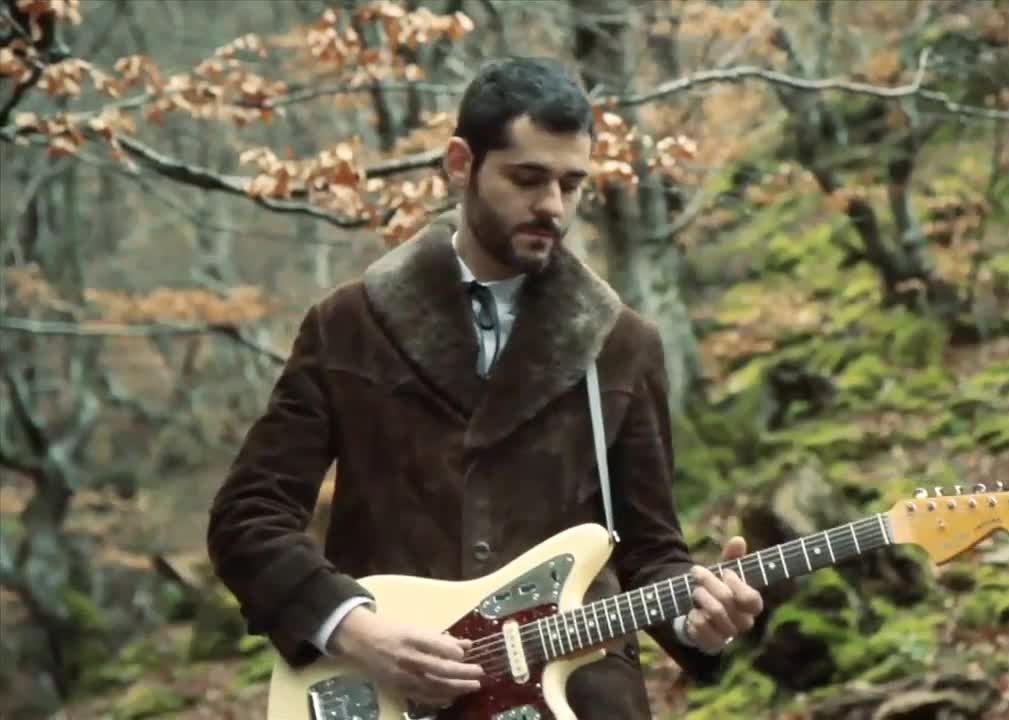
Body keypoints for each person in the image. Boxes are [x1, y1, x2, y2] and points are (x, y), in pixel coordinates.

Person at [205, 56, 764, 718]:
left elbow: (652, 552)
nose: (551, 206)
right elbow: (249, 517)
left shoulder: (622, 343)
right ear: (460, 164)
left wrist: (700, 621)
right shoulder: (349, 324)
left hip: (577, 701)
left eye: (571, 184)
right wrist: (355, 628)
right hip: (392, 698)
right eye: (527, 179)